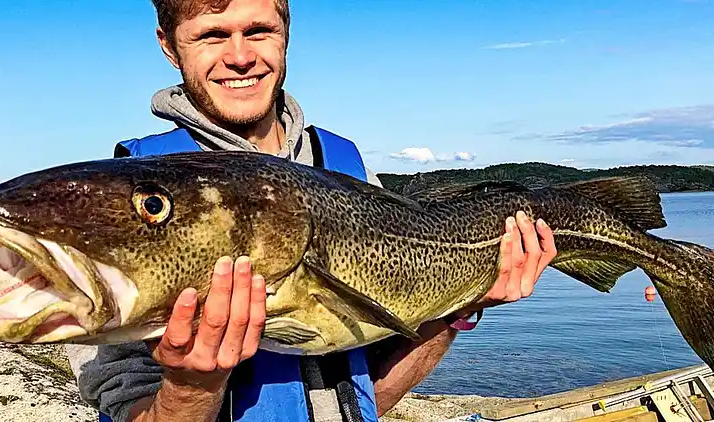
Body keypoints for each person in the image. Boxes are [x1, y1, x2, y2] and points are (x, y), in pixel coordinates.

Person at [64, 1, 560, 421]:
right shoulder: (121, 213)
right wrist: (193, 387)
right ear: (169, 45)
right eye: (212, 35)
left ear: (286, 36)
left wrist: (459, 306)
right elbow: (129, 404)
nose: (240, 57)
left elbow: (370, 393)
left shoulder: (343, 163)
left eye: (259, 30)